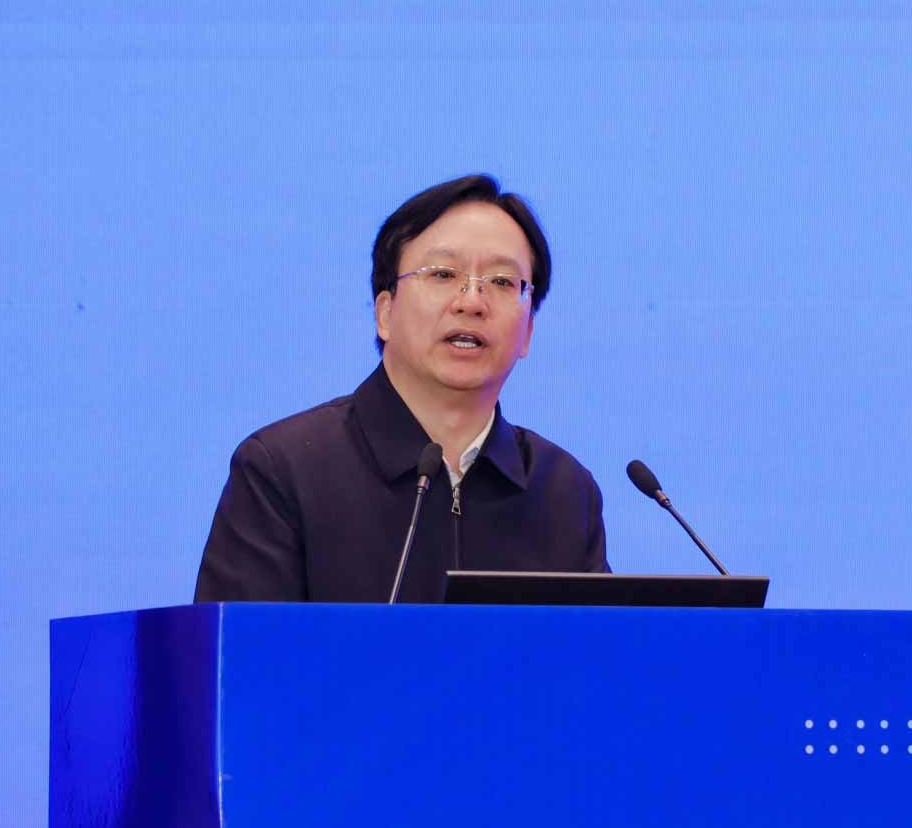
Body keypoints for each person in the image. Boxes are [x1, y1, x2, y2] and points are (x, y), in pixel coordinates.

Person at [194, 174, 608, 603]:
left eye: (502, 282)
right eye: (443, 274)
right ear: (385, 313)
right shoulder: (284, 471)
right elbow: (243, 644)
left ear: (528, 332)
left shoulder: (563, 492)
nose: (472, 302)